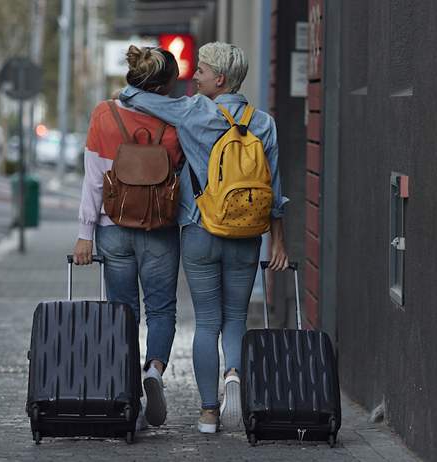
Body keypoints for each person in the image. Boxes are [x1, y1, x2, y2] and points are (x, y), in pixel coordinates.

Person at [119, 42, 290, 433]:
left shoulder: (192, 110)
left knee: (207, 321)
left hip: (200, 230)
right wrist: (278, 240)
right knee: (235, 319)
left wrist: (130, 84)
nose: (192, 77)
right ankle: (233, 375)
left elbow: (135, 96)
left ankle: (209, 412)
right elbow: (274, 189)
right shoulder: (263, 122)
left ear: (220, 79)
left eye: (201, 70)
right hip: (248, 235)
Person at [72, 45, 184, 430]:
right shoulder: (174, 124)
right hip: (159, 229)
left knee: (123, 314)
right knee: (162, 310)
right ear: (165, 85)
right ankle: (153, 369)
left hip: (111, 227)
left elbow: (92, 180)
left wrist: (84, 234)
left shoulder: (103, 115)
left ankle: (129, 397)